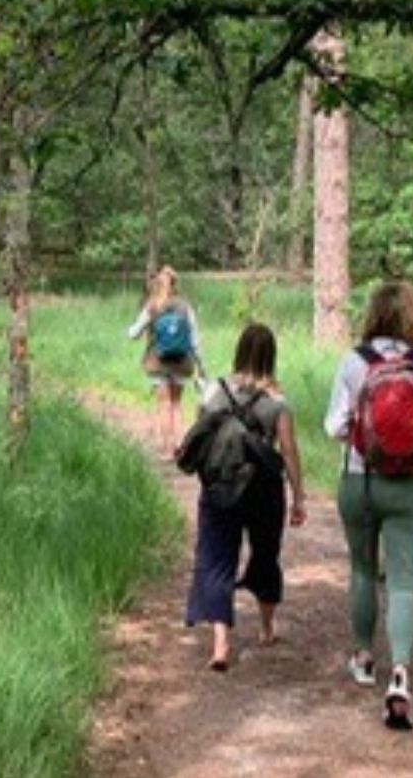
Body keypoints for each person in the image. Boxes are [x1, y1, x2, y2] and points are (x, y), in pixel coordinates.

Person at [325, 280, 413, 731]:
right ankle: (400, 674)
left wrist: (367, 435)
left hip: (359, 481)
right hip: (408, 486)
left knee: (362, 569)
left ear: (372, 314)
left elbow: (333, 426)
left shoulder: (354, 362)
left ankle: (363, 658)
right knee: (402, 580)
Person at [184, 324, 308, 671]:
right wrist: (298, 495)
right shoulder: (277, 402)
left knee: (216, 556)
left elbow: (201, 436)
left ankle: (221, 643)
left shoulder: (214, 391)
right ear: (272, 356)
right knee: (265, 554)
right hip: (263, 487)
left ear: (239, 351)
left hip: (220, 486)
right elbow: (288, 449)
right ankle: (267, 627)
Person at [127, 266, 203, 460]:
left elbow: (134, 333)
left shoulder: (152, 305)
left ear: (158, 284)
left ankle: (168, 451)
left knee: (164, 405)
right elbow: (195, 338)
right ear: (175, 284)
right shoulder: (185, 306)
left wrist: (130, 331)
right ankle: (180, 446)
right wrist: (200, 363)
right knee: (177, 405)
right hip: (181, 362)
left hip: (158, 362)